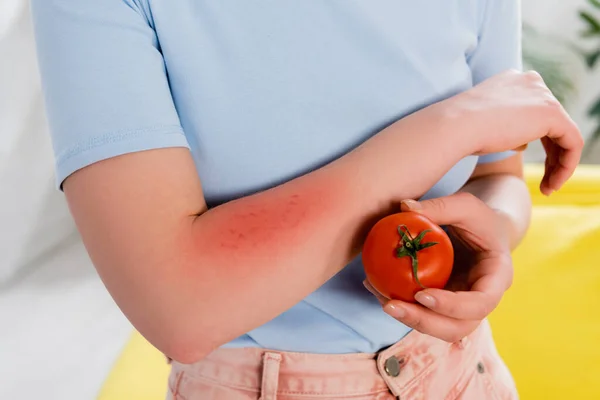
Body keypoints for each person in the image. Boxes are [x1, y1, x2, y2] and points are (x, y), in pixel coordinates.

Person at [30, 0, 582, 399]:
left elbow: (498, 172)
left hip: (468, 375)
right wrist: (445, 130)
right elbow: (178, 308)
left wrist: (491, 232)